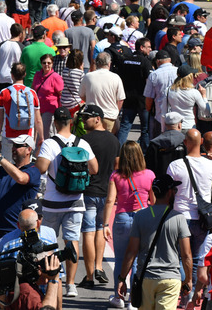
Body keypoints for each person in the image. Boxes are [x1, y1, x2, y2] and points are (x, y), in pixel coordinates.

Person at [36, 107, 99, 298]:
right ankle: (71, 285)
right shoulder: (82, 143)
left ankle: (50, 280)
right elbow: (94, 169)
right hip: (76, 202)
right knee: (72, 241)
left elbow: (41, 168)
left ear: (54, 122)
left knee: (48, 242)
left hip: (52, 202)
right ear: (71, 122)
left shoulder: (49, 143)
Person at [115, 175, 193, 310]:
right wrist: (189, 279)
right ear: (169, 193)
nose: (175, 192)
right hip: (170, 279)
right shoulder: (179, 218)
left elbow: (131, 252)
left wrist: (122, 279)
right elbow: (186, 255)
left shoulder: (140, 216)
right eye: (174, 190)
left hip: (145, 278)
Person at [167, 129, 212, 279]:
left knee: (179, 257)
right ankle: (191, 291)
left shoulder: (175, 165)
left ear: (185, 143)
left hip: (179, 215)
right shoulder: (210, 165)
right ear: (201, 142)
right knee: (195, 259)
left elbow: (168, 191)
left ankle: (183, 285)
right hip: (202, 218)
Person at [103, 141, 156, 308]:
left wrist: (105, 224)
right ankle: (134, 300)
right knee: (139, 261)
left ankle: (118, 297)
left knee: (121, 258)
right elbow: (153, 202)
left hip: (122, 218)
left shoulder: (116, 176)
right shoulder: (149, 175)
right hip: (143, 218)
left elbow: (110, 200)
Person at [78, 107, 121, 289]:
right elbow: (117, 166)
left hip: (88, 191)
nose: (84, 121)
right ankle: (99, 267)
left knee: (88, 231)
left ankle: (89, 276)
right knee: (100, 229)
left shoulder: (83, 140)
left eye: (87, 118)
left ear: (98, 119)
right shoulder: (114, 140)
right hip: (106, 191)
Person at [0, 62, 44, 159]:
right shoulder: (32, 93)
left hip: (9, 136)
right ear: (25, 75)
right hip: (27, 137)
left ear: (12, 75)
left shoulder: (4, 93)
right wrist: (41, 137)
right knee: (24, 169)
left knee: (8, 168)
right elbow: (38, 120)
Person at [80, 51, 125, 132]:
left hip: (92, 116)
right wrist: (115, 112)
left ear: (96, 63)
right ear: (109, 63)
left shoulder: (88, 76)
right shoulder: (116, 77)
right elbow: (120, 99)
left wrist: (91, 100)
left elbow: (81, 95)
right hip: (110, 117)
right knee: (108, 142)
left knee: (92, 142)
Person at [145, 112, 187, 179]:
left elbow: (149, 165)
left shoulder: (154, 143)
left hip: (161, 181)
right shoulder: (186, 142)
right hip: (182, 179)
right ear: (179, 125)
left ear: (164, 124)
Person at [32, 53, 64, 140]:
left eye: (49, 63)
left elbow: (61, 94)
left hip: (50, 109)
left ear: (52, 64)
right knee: (34, 133)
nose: (46, 65)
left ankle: (41, 152)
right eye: (44, 63)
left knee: (45, 134)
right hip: (37, 108)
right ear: (41, 63)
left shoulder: (56, 77)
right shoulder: (37, 75)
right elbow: (33, 90)